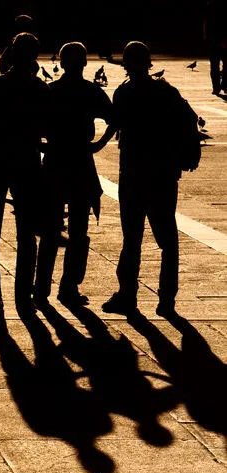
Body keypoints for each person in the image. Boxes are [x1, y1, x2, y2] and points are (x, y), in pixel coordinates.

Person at [95, 41, 195, 318]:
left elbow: (114, 124)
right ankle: (166, 299)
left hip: (133, 173)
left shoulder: (124, 91)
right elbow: (189, 119)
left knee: (132, 237)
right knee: (167, 238)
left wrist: (97, 145)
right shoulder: (166, 91)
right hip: (162, 173)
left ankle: (127, 294)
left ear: (126, 64)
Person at [0, 32, 50, 316]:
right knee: (26, 235)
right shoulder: (40, 88)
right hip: (27, 162)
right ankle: (23, 295)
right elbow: (45, 128)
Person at [35, 42, 112, 308]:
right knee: (79, 229)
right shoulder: (91, 91)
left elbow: (33, 125)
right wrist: (99, 144)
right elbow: (114, 119)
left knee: (50, 229)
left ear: (62, 63)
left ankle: (41, 287)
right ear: (84, 63)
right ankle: (69, 286)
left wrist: (42, 146)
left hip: (55, 161)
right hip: (81, 161)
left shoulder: (50, 91)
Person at [205, 0, 227, 95]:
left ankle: (217, 87)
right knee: (220, 64)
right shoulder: (218, 6)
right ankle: (223, 85)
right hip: (217, 40)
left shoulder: (210, 6)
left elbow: (209, 25)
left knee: (215, 65)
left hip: (214, 40)